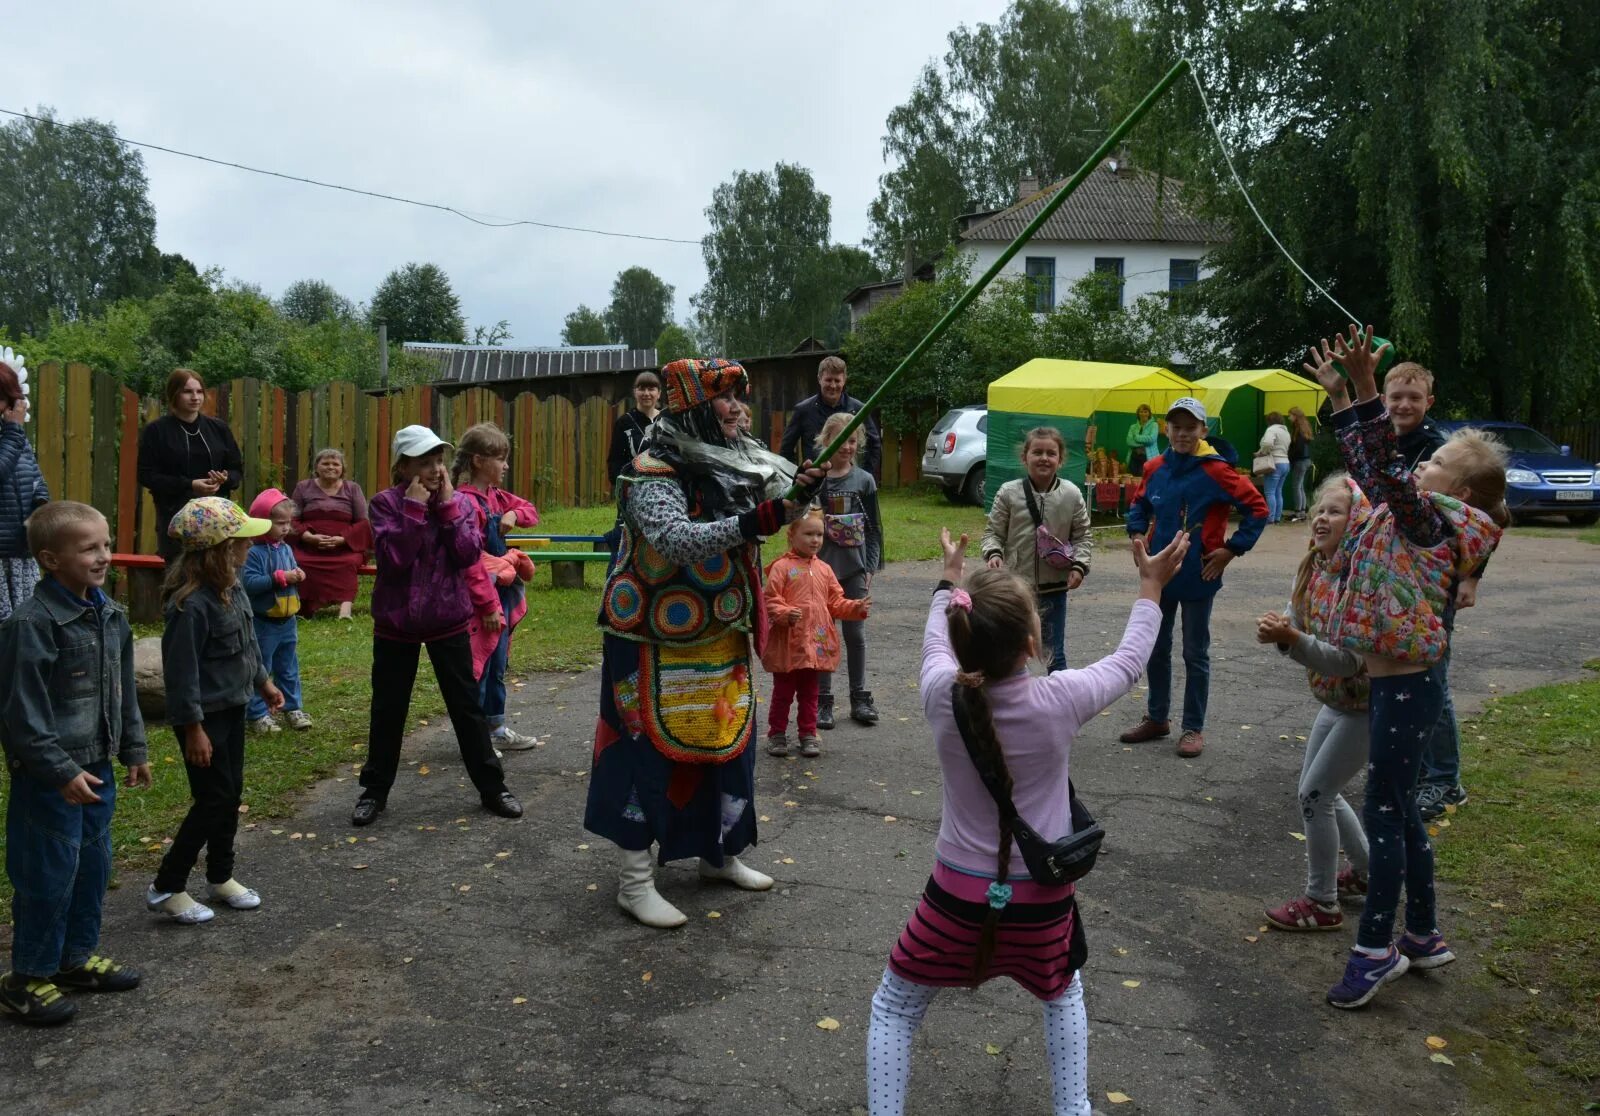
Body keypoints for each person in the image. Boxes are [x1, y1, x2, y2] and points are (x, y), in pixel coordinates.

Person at [865, 525, 1188, 1116]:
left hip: (953, 899)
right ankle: (1075, 1110)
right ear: (1033, 643)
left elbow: (934, 638)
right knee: (1063, 993)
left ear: (964, 642)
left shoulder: (942, 692)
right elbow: (1128, 661)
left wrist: (948, 578)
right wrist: (1150, 587)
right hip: (1044, 900)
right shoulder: (1060, 699)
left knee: (895, 1007)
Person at [1305, 325, 1506, 1009]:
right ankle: (1421, 934)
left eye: (1437, 462)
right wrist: (1343, 401)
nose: (1423, 465)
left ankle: (1374, 950)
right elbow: (1369, 468)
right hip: (1401, 684)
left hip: (1407, 685)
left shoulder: (1435, 523)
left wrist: (1367, 386)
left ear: (1462, 490)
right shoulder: (1414, 514)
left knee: (1384, 813)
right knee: (1403, 814)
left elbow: (1386, 471)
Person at [587, 358, 824, 929]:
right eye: (726, 399)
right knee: (643, 750)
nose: (739, 408)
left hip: (718, 629)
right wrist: (759, 519)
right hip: (650, 635)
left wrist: (797, 496)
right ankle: (635, 881)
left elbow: (772, 513)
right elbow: (673, 541)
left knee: (725, 740)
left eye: (740, 398)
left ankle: (721, 853)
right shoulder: (651, 469)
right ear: (694, 408)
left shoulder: (736, 462)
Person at [0, 502, 150, 1026]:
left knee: (91, 868)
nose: (104, 555)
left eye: (106, 544)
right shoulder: (31, 625)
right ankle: (26, 976)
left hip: (98, 769)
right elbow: (22, 715)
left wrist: (134, 748)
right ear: (49, 559)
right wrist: (59, 771)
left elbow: (122, 689)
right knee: (48, 873)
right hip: (51, 779)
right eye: (89, 548)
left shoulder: (110, 614)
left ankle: (74, 959)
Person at [350, 426, 524, 828]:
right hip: (396, 624)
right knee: (388, 710)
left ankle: (493, 788)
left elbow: (467, 555)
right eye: (423, 462)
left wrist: (446, 508)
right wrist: (413, 511)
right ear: (403, 467)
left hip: (447, 619)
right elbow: (393, 561)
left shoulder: (459, 503)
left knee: (466, 708)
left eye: (438, 461)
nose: (433, 469)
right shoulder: (384, 505)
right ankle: (374, 791)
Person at [147, 497, 283, 925]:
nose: (249, 548)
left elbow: (247, 642)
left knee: (231, 794)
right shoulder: (190, 606)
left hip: (233, 706)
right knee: (213, 799)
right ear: (220, 549)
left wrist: (263, 681)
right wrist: (193, 729)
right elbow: (181, 674)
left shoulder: (233, 586)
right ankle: (167, 885)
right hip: (203, 719)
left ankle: (221, 877)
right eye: (241, 541)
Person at [1256, 475, 1374, 931]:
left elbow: (1350, 663)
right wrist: (1279, 628)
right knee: (1319, 790)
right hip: (1335, 701)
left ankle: (1322, 903)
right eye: (1319, 510)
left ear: (1357, 522)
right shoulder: (1312, 567)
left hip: (1366, 704)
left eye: (1336, 511)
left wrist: (1293, 639)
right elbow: (1296, 619)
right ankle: (1367, 875)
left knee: (1315, 794)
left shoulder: (1363, 580)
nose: (1323, 518)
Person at [1120, 398, 1269, 757]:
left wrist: (1231, 550)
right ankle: (1157, 718)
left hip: (1200, 573)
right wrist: (1138, 533)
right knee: (1155, 647)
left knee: (1194, 651)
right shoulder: (1155, 467)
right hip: (1159, 572)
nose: (1183, 433)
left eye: (1191, 427)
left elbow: (1257, 509)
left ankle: (1192, 727)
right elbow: (1140, 504)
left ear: (1204, 431)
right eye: (1176, 427)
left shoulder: (1217, 471)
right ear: (1166, 429)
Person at [1378, 361, 1471, 823]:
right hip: (1393, 577)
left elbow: (1483, 516)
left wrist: (1471, 577)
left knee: (1433, 680)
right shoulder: (1385, 442)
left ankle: (1446, 780)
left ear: (1429, 401)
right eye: (1396, 397)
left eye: (1414, 398)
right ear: (1384, 398)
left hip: (1434, 582)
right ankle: (1416, 771)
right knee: (1400, 677)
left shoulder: (1443, 453)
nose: (1404, 405)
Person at [453, 422, 542, 752]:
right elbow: (469, 558)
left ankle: (496, 726)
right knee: (480, 663)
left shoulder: (496, 497)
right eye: (500, 459)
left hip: (502, 593)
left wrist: (514, 514)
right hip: (479, 597)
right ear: (478, 461)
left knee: (499, 662)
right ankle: (474, 736)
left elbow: (531, 511)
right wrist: (490, 591)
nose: (506, 466)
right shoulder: (464, 502)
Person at [981, 427, 1093, 673]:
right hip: (1015, 590)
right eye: (1037, 452)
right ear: (1025, 457)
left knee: (1055, 654)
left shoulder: (1072, 495)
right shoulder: (1009, 493)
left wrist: (1079, 566)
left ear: (1060, 460)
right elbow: (993, 534)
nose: (1044, 458)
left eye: (1051, 453)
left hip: (1055, 590)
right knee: (1010, 651)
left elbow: (1083, 536)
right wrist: (994, 554)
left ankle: (1061, 707)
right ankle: (1011, 702)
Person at [763, 507, 872, 758]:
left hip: (814, 646)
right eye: (809, 534)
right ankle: (777, 734)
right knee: (783, 694)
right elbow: (770, 600)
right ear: (791, 536)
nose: (815, 540)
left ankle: (808, 734)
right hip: (789, 644)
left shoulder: (824, 569)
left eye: (820, 535)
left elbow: (836, 602)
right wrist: (785, 613)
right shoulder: (781, 568)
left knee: (810, 694)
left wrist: (856, 607)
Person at [813, 411, 884, 728]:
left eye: (852, 440)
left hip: (855, 571)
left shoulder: (864, 481)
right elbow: (800, 524)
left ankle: (859, 697)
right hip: (821, 573)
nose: (847, 447)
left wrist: (869, 568)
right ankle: (823, 701)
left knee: (855, 634)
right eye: (841, 440)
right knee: (823, 635)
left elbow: (874, 530)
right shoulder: (815, 479)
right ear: (826, 441)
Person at [136, 369, 244, 562]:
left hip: (216, 519)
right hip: (176, 519)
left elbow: (237, 470)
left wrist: (225, 479)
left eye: (199, 391)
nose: (195, 397)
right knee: (181, 580)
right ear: (173, 393)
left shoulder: (218, 428)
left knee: (219, 576)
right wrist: (190, 484)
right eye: (188, 391)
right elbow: (146, 475)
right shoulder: (156, 431)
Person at [242, 489, 309, 734]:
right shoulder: (253, 553)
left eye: (288, 523)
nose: (285, 528)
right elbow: (249, 584)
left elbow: (291, 571)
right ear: (261, 523)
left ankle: (292, 707)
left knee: (288, 666)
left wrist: (298, 574)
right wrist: (280, 578)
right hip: (264, 622)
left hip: (287, 620)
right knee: (262, 667)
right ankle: (258, 713)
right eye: (280, 523)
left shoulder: (285, 549)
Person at [290, 448, 371, 620]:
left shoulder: (352, 489)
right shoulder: (303, 487)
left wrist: (343, 539)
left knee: (348, 562)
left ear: (342, 468)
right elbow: (292, 519)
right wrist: (309, 537)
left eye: (336, 464)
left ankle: (345, 609)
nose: (331, 467)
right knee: (300, 561)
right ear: (316, 467)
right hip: (309, 548)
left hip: (344, 548)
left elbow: (363, 523)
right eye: (325, 463)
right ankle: (304, 608)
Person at [0, 359, 48, 622]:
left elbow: (34, 475)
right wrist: (13, 432)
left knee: (23, 629)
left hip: (18, 554)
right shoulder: (13, 434)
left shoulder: (12, 435)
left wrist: (41, 502)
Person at [779, 355, 882, 478]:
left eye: (837, 380)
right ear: (819, 379)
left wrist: (865, 474)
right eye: (828, 380)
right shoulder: (803, 410)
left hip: (849, 482)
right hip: (815, 484)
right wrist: (797, 476)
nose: (833, 385)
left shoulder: (859, 410)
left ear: (844, 380)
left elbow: (874, 445)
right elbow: (786, 450)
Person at [607, 370, 663, 483]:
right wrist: (623, 486)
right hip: (634, 484)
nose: (646, 393)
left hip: (666, 484)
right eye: (642, 389)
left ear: (659, 393)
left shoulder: (667, 420)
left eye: (651, 389)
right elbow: (615, 460)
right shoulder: (624, 422)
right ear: (635, 392)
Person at [1258, 412, 1292, 525]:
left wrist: (1262, 452)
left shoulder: (1271, 429)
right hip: (1285, 463)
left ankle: (1270, 518)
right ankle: (1277, 517)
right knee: (1278, 491)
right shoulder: (1285, 431)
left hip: (1274, 463)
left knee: (1269, 492)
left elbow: (1267, 443)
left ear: (1269, 421)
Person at [1286, 407, 1314, 520]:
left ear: (1296, 416)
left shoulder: (1298, 430)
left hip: (1300, 460)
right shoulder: (1304, 428)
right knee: (1300, 486)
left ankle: (1298, 512)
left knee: (1296, 486)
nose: (1289, 417)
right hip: (1306, 460)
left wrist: (1290, 457)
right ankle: (1302, 511)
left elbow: (1298, 448)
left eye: (1290, 415)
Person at [1124, 404, 1160, 475]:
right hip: (1133, 458)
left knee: (1145, 480)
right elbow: (1129, 442)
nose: (1143, 414)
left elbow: (1151, 439)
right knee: (1134, 481)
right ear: (1138, 413)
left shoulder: (1154, 425)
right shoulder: (1133, 427)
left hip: (1148, 457)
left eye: (1145, 411)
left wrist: (1136, 437)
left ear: (1149, 413)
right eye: (1141, 411)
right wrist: (1144, 442)